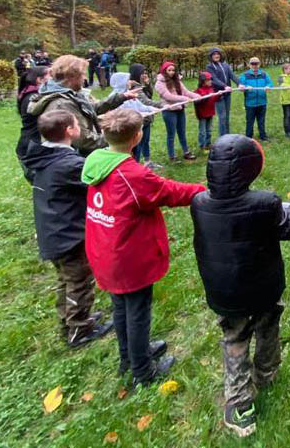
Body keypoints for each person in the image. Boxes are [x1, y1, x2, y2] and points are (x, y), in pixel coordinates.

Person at [190, 135, 290, 437]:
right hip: (262, 288)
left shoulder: (199, 202)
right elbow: (288, 226)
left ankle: (245, 395)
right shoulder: (266, 203)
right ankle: (255, 386)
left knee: (236, 336)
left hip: (225, 291)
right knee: (266, 328)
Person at [82, 108, 206, 386]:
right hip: (128, 257)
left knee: (121, 307)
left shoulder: (96, 161)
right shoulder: (132, 175)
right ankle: (143, 371)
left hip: (104, 251)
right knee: (137, 312)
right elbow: (169, 192)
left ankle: (129, 356)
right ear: (137, 137)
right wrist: (204, 191)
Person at [22, 110, 114, 348]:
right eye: (76, 124)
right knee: (79, 281)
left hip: (51, 230)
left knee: (65, 279)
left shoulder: (42, 156)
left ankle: (69, 321)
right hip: (69, 234)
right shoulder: (69, 164)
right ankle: (80, 330)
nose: (79, 127)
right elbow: (96, 180)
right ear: (69, 131)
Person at [27, 55, 134, 156]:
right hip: (74, 161)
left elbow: (91, 108)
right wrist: (118, 139)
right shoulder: (63, 103)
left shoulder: (70, 95)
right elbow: (83, 140)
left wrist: (122, 97)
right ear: (71, 77)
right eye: (82, 74)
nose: (85, 78)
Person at [155, 61, 198, 162]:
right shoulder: (159, 83)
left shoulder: (177, 80)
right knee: (171, 134)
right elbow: (168, 96)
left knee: (182, 132)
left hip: (180, 109)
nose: (171, 72)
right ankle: (172, 156)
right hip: (169, 111)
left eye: (173, 70)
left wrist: (197, 96)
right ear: (164, 71)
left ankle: (186, 152)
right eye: (169, 70)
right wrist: (183, 99)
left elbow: (186, 92)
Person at [16, 67, 50, 180]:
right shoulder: (32, 98)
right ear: (39, 80)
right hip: (31, 148)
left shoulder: (30, 94)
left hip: (31, 145)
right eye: (49, 75)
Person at [128, 64, 163, 169]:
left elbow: (149, 95)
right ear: (136, 74)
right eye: (142, 73)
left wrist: (147, 85)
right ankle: (136, 166)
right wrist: (163, 104)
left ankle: (147, 161)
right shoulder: (134, 88)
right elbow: (146, 102)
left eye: (145, 73)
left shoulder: (140, 85)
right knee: (138, 144)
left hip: (147, 118)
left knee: (146, 141)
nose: (144, 75)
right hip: (140, 119)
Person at [207, 47, 240, 136]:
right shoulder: (209, 67)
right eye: (214, 54)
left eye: (218, 54)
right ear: (211, 56)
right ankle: (222, 137)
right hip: (218, 94)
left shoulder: (225, 65)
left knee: (227, 116)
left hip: (227, 94)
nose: (216, 55)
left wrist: (239, 83)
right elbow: (214, 79)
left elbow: (232, 75)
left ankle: (228, 135)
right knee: (222, 116)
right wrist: (224, 86)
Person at [238, 57, 272, 141]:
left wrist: (268, 86)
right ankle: (248, 137)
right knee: (250, 121)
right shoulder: (245, 75)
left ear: (259, 64)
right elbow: (240, 85)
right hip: (250, 103)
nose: (254, 65)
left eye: (256, 64)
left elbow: (270, 83)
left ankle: (263, 136)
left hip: (262, 102)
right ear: (249, 65)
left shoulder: (264, 74)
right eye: (252, 64)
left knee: (261, 121)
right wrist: (245, 87)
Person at [194, 72, 218, 152]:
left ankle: (208, 143)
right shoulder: (198, 91)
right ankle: (202, 145)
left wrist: (219, 94)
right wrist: (206, 97)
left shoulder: (211, 89)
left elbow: (214, 99)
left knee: (209, 130)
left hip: (210, 113)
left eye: (210, 80)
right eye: (208, 80)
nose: (210, 81)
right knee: (202, 131)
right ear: (203, 81)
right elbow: (198, 102)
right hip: (202, 114)